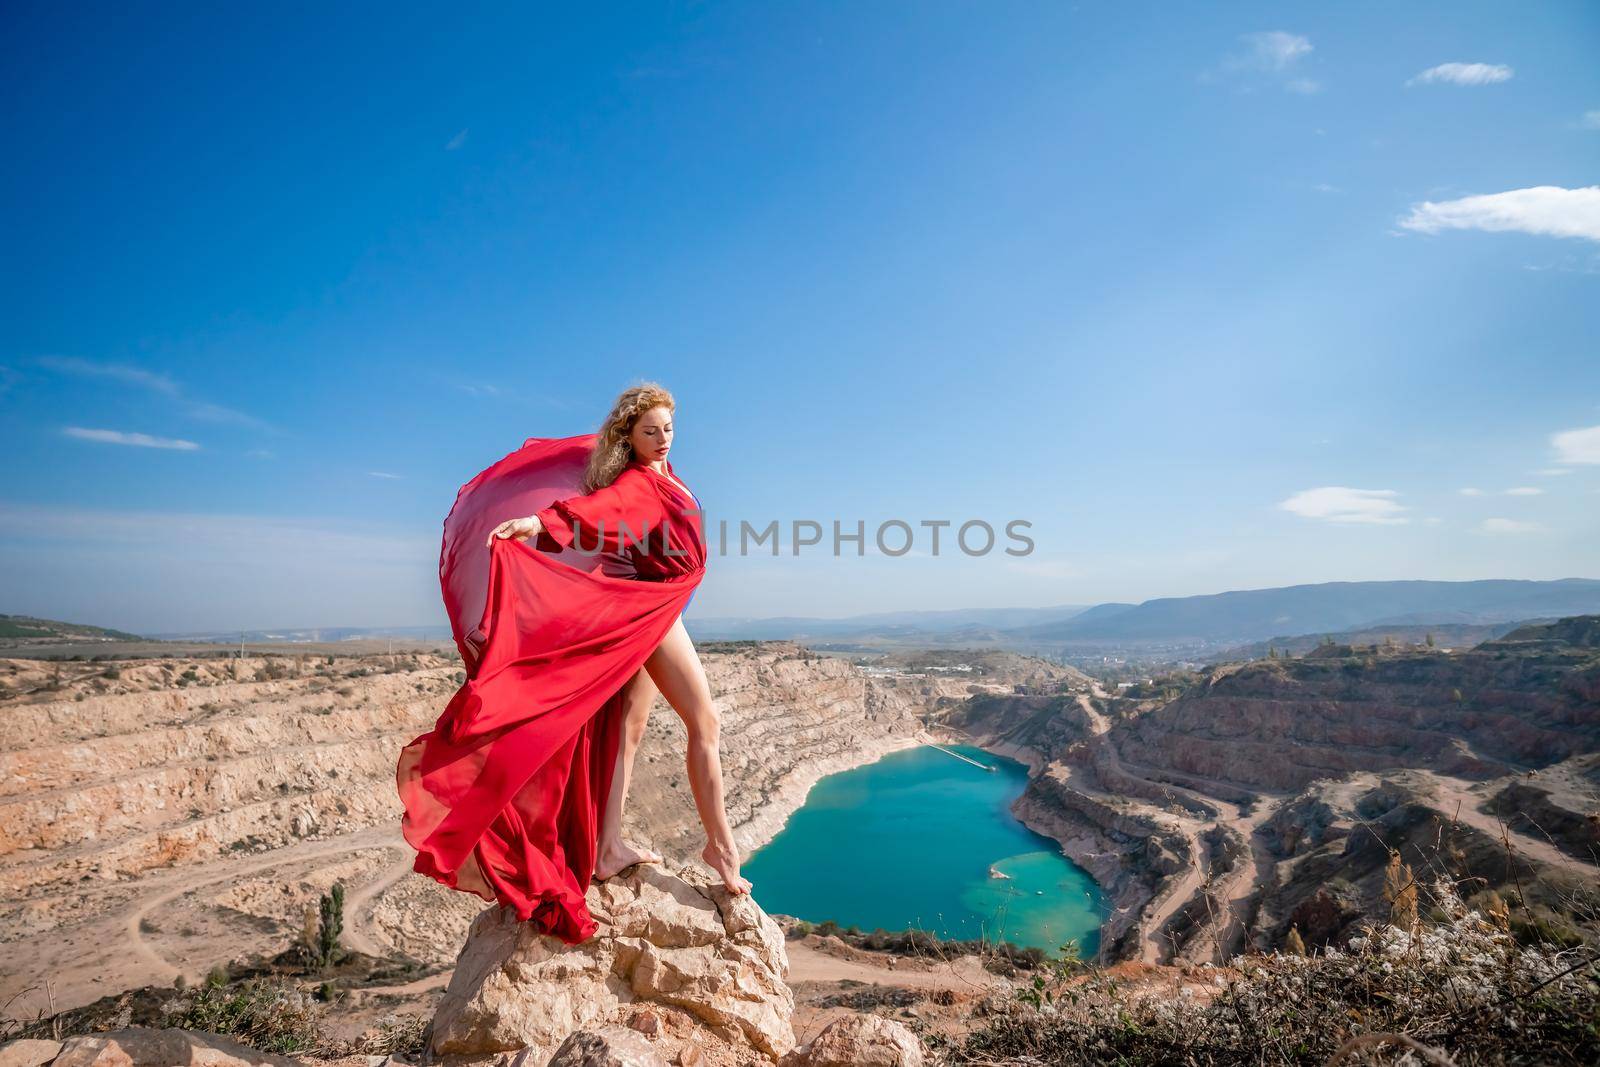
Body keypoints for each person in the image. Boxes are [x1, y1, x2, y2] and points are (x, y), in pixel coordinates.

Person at [396, 382, 749, 947]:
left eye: (668, 429)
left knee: (628, 729)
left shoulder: (666, 474)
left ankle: (607, 848)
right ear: (628, 437)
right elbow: (602, 509)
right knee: (704, 722)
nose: (662, 440)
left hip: (649, 602)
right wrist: (536, 525)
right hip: (646, 607)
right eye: (649, 431)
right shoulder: (639, 484)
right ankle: (723, 849)